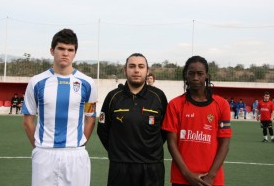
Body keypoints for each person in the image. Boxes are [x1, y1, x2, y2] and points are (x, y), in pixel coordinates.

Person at [22, 29, 97, 186]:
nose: (65, 53)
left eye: (70, 50)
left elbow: (90, 118)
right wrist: (39, 147)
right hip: (44, 153)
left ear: (75, 53)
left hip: (75, 154)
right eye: (61, 48)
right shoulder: (36, 82)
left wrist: (80, 143)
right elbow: (28, 121)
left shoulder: (87, 83)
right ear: (52, 50)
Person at [97, 53, 168, 186]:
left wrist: (150, 149)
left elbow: (164, 130)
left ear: (147, 71)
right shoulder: (113, 97)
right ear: (125, 70)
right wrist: (118, 152)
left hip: (152, 167)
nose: (136, 70)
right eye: (132, 66)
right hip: (120, 167)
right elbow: (103, 130)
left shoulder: (158, 96)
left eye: (141, 66)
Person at [161, 55, 232, 186]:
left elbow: (225, 143)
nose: (195, 78)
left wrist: (211, 176)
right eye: (191, 73)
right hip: (181, 178)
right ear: (185, 75)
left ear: (207, 75)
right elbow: (171, 142)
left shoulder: (222, 104)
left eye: (200, 73)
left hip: (211, 180)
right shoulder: (174, 104)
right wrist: (187, 174)